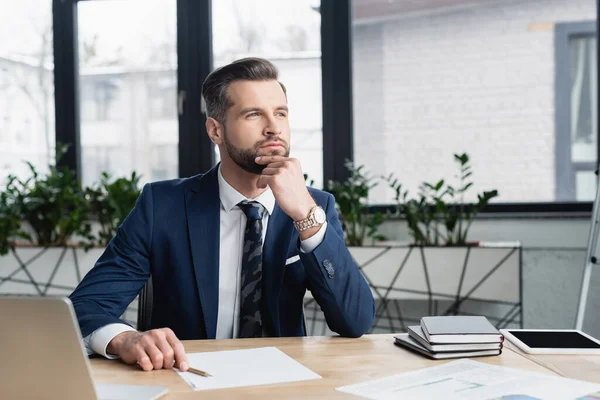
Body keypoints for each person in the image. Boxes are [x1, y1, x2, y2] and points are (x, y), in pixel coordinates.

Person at [69, 57, 375, 372]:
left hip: (283, 382)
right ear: (216, 130)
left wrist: (306, 218)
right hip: (188, 379)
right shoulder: (162, 206)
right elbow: (85, 306)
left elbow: (355, 320)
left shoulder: (315, 207)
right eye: (254, 114)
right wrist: (126, 339)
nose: (273, 127)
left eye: (280, 113)